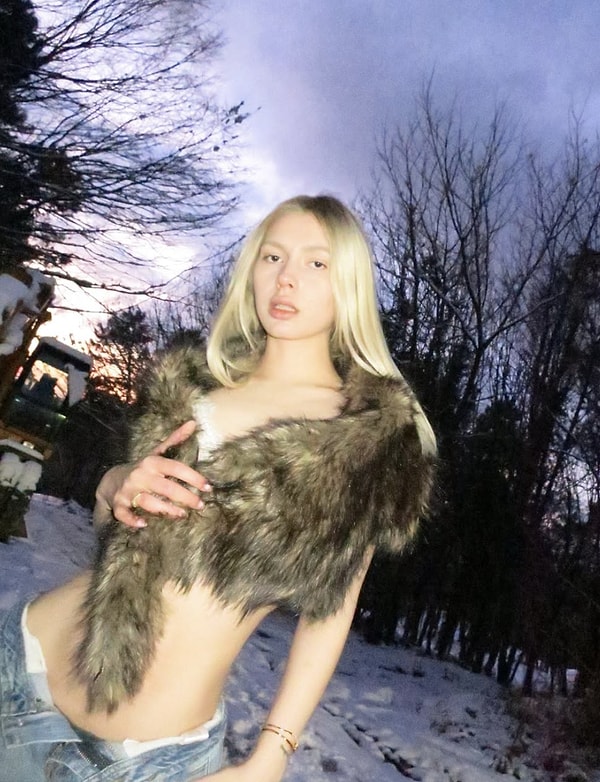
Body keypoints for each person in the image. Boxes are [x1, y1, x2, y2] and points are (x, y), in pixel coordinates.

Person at [0, 195, 436, 781]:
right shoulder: (194, 388)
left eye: (316, 263)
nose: (286, 278)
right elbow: (117, 544)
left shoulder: (369, 440)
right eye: (273, 256)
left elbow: (330, 614)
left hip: (147, 761)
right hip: (19, 665)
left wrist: (273, 752)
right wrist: (115, 486)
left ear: (350, 284)